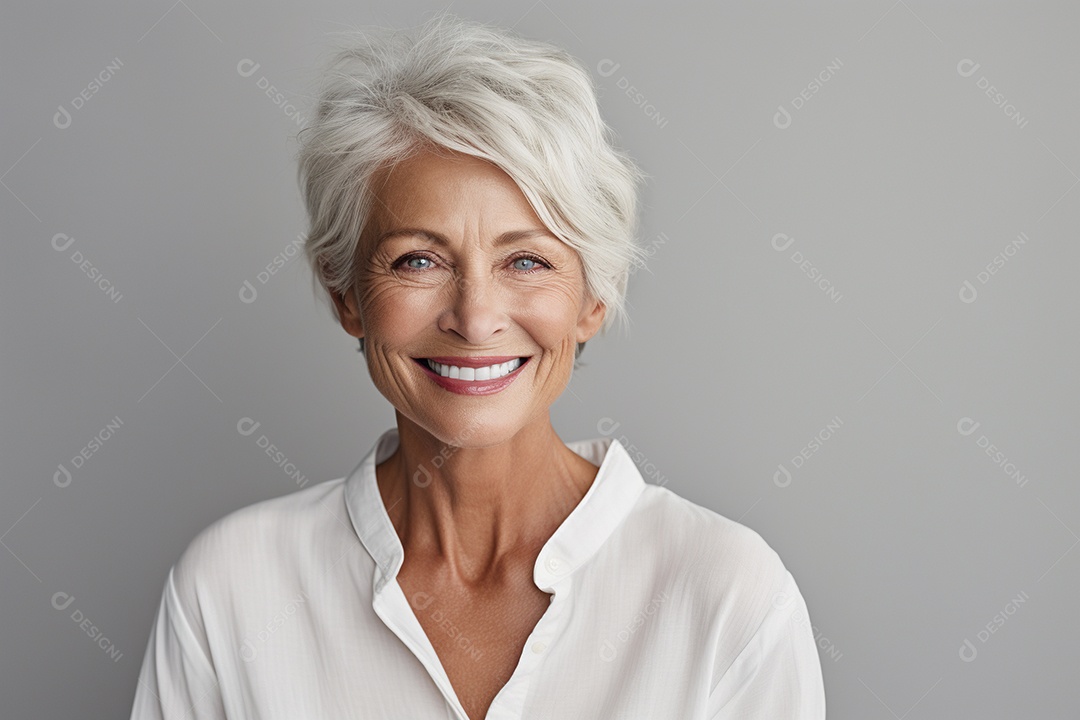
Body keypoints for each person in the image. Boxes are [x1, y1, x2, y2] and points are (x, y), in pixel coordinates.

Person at [129, 12, 826, 719]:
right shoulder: (229, 590)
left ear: (593, 300)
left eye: (526, 260)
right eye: (419, 260)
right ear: (348, 296)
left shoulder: (729, 598)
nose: (475, 317)